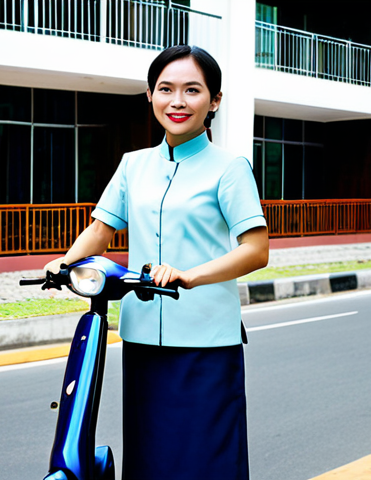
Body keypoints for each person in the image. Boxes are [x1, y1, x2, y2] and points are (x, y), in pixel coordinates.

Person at [44, 45, 268, 480]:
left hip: (206, 343)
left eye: (192, 90)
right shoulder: (133, 166)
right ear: (150, 95)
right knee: (151, 457)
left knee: (207, 459)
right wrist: (64, 263)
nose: (177, 102)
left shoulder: (230, 168)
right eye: (166, 89)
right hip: (143, 337)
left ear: (214, 100)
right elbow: (101, 230)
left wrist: (190, 275)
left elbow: (256, 250)